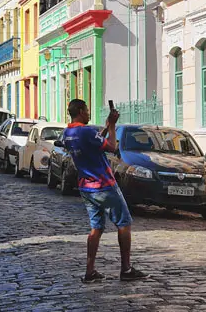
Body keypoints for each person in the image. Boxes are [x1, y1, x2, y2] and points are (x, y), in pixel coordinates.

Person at [63, 99, 147, 283]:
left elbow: (93, 143)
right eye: (86, 110)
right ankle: (126, 268)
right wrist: (113, 126)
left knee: (96, 228)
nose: (88, 112)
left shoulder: (68, 133)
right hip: (104, 184)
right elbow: (111, 147)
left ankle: (90, 271)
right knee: (124, 222)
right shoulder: (86, 131)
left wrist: (107, 125)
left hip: (86, 186)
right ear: (79, 111)